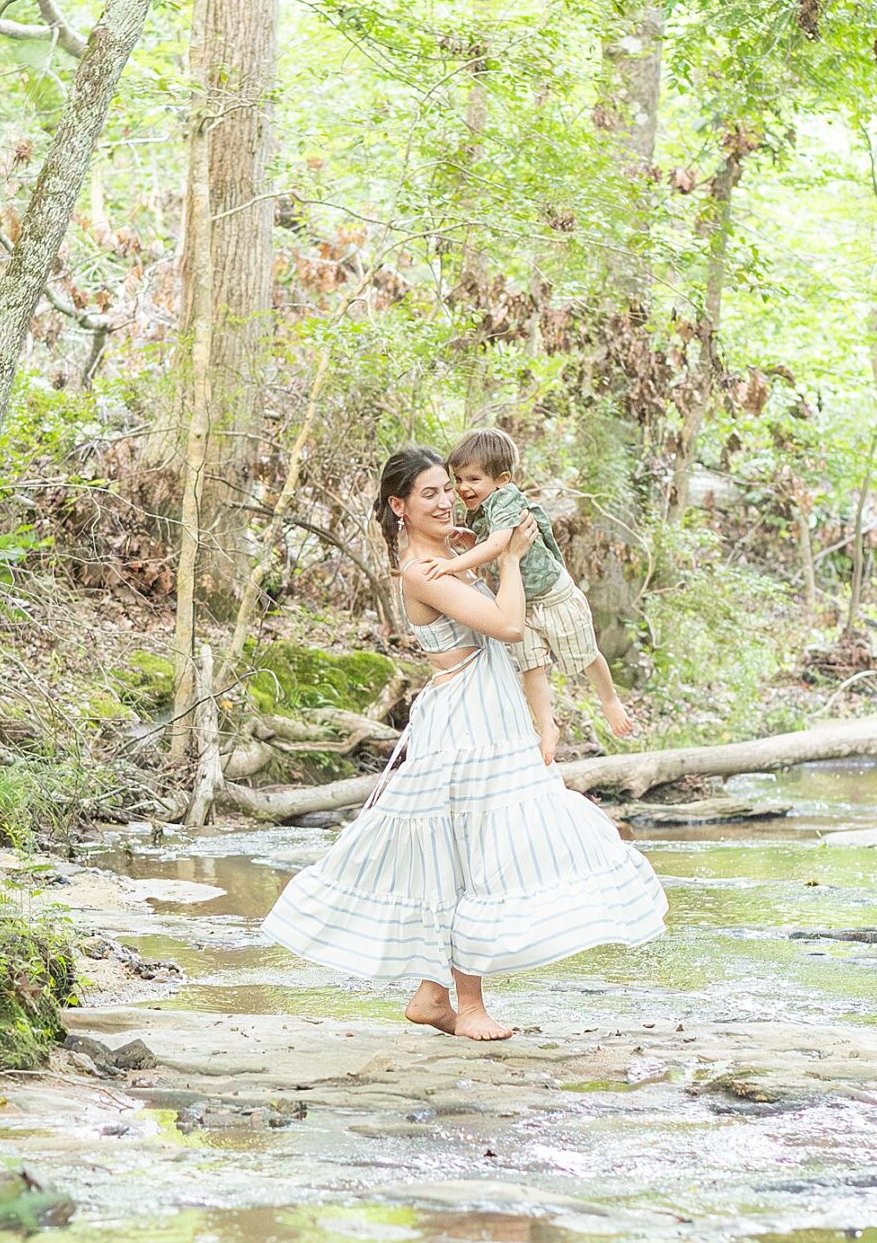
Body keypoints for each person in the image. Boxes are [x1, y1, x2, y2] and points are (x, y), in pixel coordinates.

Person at [260, 445, 666, 1041]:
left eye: (448, 489)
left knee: (468, 849)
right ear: (400, 506)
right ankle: (467, 1005)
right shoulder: (421, 571)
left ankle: (432, 995)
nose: (447, 500)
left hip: (489, 706)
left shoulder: (445, 552)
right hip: (466, 718)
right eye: (430, 494)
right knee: (471, 852)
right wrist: (512, 557)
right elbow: (505, 624)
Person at [432, 426, 633, 764]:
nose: (463, 488)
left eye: (473, 479)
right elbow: (490, 547)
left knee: (584, 653)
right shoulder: (480, 509)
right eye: (459, 480)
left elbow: (499, 545)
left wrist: (452, 566)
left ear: (502, 479)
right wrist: (467, 542)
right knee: (531, 667)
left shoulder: (506, 499)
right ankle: (547, 726)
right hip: (521, 604)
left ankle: (609, 699)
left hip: (553, 595)